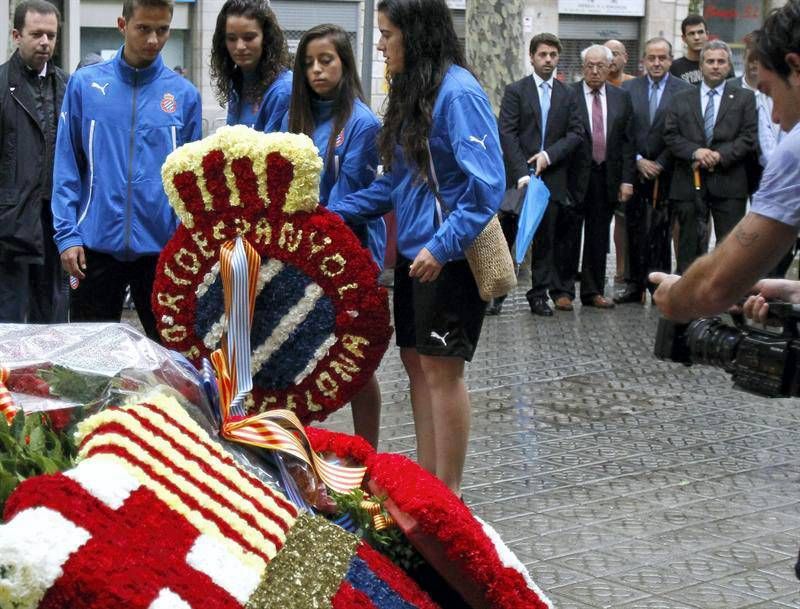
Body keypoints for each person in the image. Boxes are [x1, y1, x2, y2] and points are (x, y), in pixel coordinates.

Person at [328, 0, 504, 495]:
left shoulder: (458, 93)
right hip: (414, 256)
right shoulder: (414, 91)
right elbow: (398, 186)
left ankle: (447, 495)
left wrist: (442, 246)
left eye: (387, 34)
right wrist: (333, 213)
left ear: (417, 33)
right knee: (416, 363)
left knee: (441, 371)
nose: (380, 44)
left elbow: (487, 187)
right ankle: (429, 488)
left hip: (447, 258)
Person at [51, 0, 203, 340]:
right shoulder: (84, 86)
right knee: (90, 360)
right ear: (123, 24)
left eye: (162, 30)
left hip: (162, 252)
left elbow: (193, 184)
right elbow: (67, 165)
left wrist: (189, 243)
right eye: (143, 29)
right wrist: (67, 235)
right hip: (94, 248)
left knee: (169, 362)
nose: (153, 40)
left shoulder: (184, 96)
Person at [652, 0, 800, 327]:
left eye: (771, 92)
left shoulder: (795, 149)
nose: (776, 117)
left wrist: (674, 295)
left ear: (794, 66)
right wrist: (795, 292)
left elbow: (714, 286)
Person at [283, 24, 384, 447]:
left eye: (326, 61)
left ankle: (368, 452)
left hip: (349, 256)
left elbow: (365, 193)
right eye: (308, 63)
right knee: (298, 354)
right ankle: (296, 450)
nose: (317, 71)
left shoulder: (361, 122)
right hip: (302, 254)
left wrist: (324, 217)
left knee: (355, 361)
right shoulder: (298, 118)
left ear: (345, 63)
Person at [496, 32, 583, 316]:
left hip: (552, 177)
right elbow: (507, 133)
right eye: (543, 54)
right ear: (532, 57)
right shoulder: (516, 91)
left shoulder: (568, 94)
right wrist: (522, 172)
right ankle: (496, 295)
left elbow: (575, 133)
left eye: (553, 55)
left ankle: (538, 296)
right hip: (518, 181)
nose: (548, 60)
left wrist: (548, 156)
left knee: (546, 240)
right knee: (508, 236)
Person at [663, 39, 757, 273]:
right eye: (710, 61)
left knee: (730, 245)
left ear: (728, 66)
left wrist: (719, 156)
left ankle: (729, 296)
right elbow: (671, 135)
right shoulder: (681, 98)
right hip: (689, 181)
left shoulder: (745, 98)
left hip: (729, 181)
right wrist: (696, 152)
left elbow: (748, 137)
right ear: (701, 65)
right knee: (689, 246)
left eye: (721, 61)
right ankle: (689, 298)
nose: (715, 66)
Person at [0, 0, 68, 323]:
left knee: (51, 327)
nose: (45, 42)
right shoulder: (1, 86)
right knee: (8, 327)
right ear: (16, 35)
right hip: (9, 229)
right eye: (36, 34)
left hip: (54, 226)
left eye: (51, 35)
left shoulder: (69, 88)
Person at [617, 38, 692, 304]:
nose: (657, 63)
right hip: (635, 170)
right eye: (651, 58)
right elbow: (624, 132)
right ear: (644, 61)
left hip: (668, 172)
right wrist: (638, 160)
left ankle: (657, 284)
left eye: (662, 58)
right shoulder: (628, 88)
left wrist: (661, 162)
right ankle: (633, 285)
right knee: (634, 229)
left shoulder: (684, 90)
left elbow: (683, 132)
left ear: (671, 60)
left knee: (661, 231)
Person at [571, 45, 635, 309]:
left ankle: (592, 290)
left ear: (610, 67)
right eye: (589, 66)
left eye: (600, 66)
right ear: (582, 68)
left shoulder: (622, 98)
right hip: (575, 176)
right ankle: (562, 289)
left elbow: (628, 142)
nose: (595, 71)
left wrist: (627, 179)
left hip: (606, 175)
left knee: (598, 237)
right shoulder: (568, 95)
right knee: (569, 236)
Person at [210, 0, 291, 132]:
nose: (240, 46)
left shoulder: (283, 90)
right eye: (231, 38)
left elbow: (276, 151)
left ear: (266, 38)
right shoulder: (236, 84)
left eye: (249, 37)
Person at [604, 39, 635, 286]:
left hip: (626, 164)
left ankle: (624, 269)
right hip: (600, 166)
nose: (612, 58)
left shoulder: (634, 86)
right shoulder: (595, 85)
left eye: (616, 53)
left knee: (625, 220)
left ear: (625, 57)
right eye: (608, 54)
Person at [670, 14, 735, 85]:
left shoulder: (721, 64)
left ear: (707, 34)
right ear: (684, 38)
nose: (697, 37)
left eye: (700, 32)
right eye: (691, 33)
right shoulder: (674, 67)